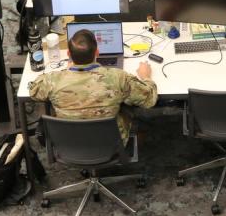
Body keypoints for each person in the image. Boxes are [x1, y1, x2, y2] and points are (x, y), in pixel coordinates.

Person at [28, 30, 158, 144]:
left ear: (68, 54)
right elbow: (149, 99)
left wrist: (65, 72)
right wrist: (146, 76)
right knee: (128, 107)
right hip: (110, 145)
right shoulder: (118, 78)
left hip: (69, 144)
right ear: (97, 52)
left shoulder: (53, 80)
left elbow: (33, 90)